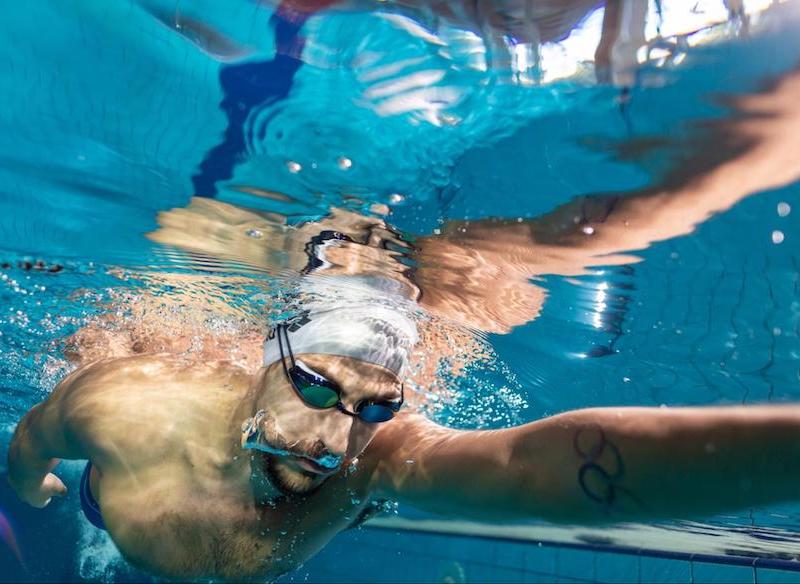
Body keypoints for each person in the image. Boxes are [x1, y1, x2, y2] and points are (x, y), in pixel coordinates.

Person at [7, 52, 800, 579]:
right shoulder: (126, 401)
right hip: (99, 504)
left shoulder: (373, 460)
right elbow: (35, 439)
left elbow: (537, 468)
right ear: (267, 353)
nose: (332, 439)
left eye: (372, 403)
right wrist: (32, 484)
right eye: (314, 384)